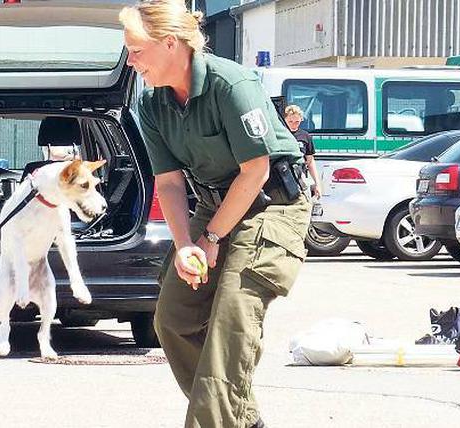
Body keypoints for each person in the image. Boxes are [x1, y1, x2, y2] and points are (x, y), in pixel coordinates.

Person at [120, 1, 312, 427]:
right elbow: (169, 183)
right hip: (213, 206)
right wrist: (185, 244)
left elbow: (256, 171)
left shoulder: (232, 84)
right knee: (173, 319)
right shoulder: (152, 105)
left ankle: (217, 419)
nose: (130, 61)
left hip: (271, 206)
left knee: (229, 325)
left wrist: (210, 239)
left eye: (136, 50)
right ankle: (238, 419)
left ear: (170, 43)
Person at [283, 104, 321, 199]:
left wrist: (317, 184)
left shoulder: (305, 136)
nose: (293, 124)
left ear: (301, 120)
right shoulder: (281, 135)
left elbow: (310, 161)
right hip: (283, 175)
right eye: (290, 121)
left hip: (300, 176)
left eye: (297, 121)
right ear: (284, 120)